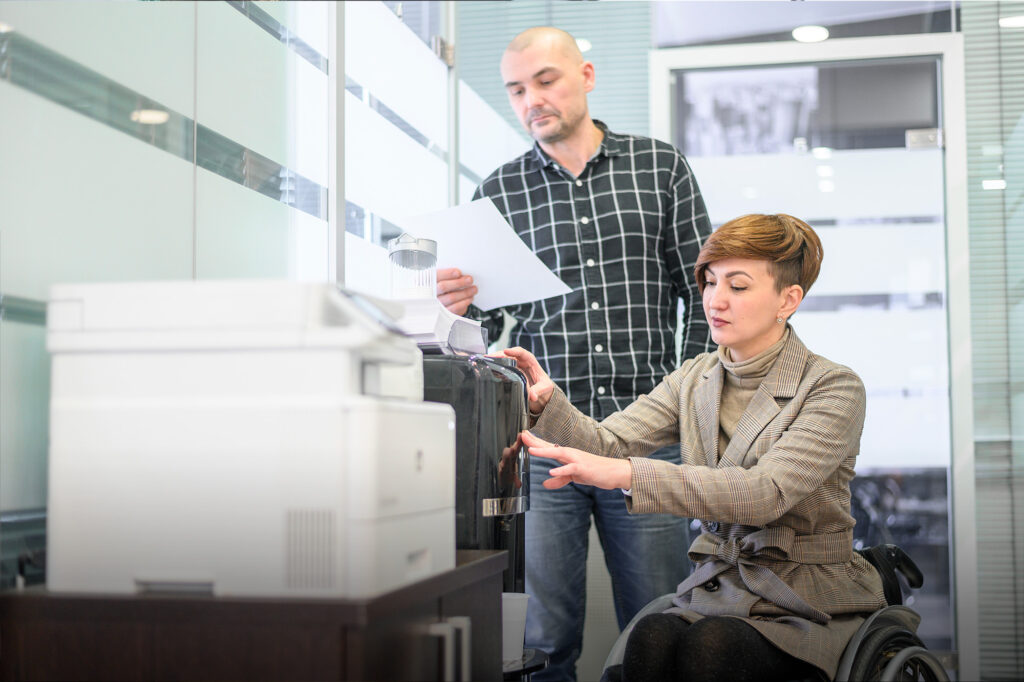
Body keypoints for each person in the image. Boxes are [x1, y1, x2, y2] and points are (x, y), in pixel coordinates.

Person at [436, 26, 712, 680]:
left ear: (585, 77)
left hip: (645, 443)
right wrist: (452, 305)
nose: (532, 98)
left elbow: (704, 298)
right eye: (517, 89)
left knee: (659, 628)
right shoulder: (498, 194)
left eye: (546, 80)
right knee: (542, 638)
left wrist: (692, 410)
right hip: (541, 442)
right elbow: (480, 325)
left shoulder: (660, 167)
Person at [503, 214, 887, 682]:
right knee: (650, 638)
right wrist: (549, 403)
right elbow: (610, 441)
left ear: (789, 299)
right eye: (708, 282)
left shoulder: (832, 387)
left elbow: (764, 493)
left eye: (738, 286)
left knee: (712, 647)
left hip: (806, 594)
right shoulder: (695, 377)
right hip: (721, 585)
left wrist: (625, 474)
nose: (714, 300)